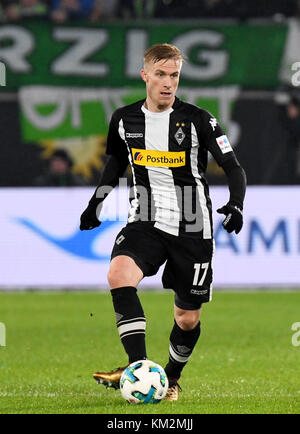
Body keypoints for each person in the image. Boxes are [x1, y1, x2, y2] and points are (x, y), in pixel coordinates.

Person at [80, 43, 246, 401]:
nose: (168, 83)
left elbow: (233, 167)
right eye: (160, 74)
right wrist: (95, 203)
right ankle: (138, 368)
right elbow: (115, 163)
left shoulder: (200, 120)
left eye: (174, 75)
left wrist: (236, 203)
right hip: (145, 220)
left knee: (187, 318)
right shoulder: (124, 119)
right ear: (145, 75)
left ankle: (170, 378)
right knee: (118, 276)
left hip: (192, 226)